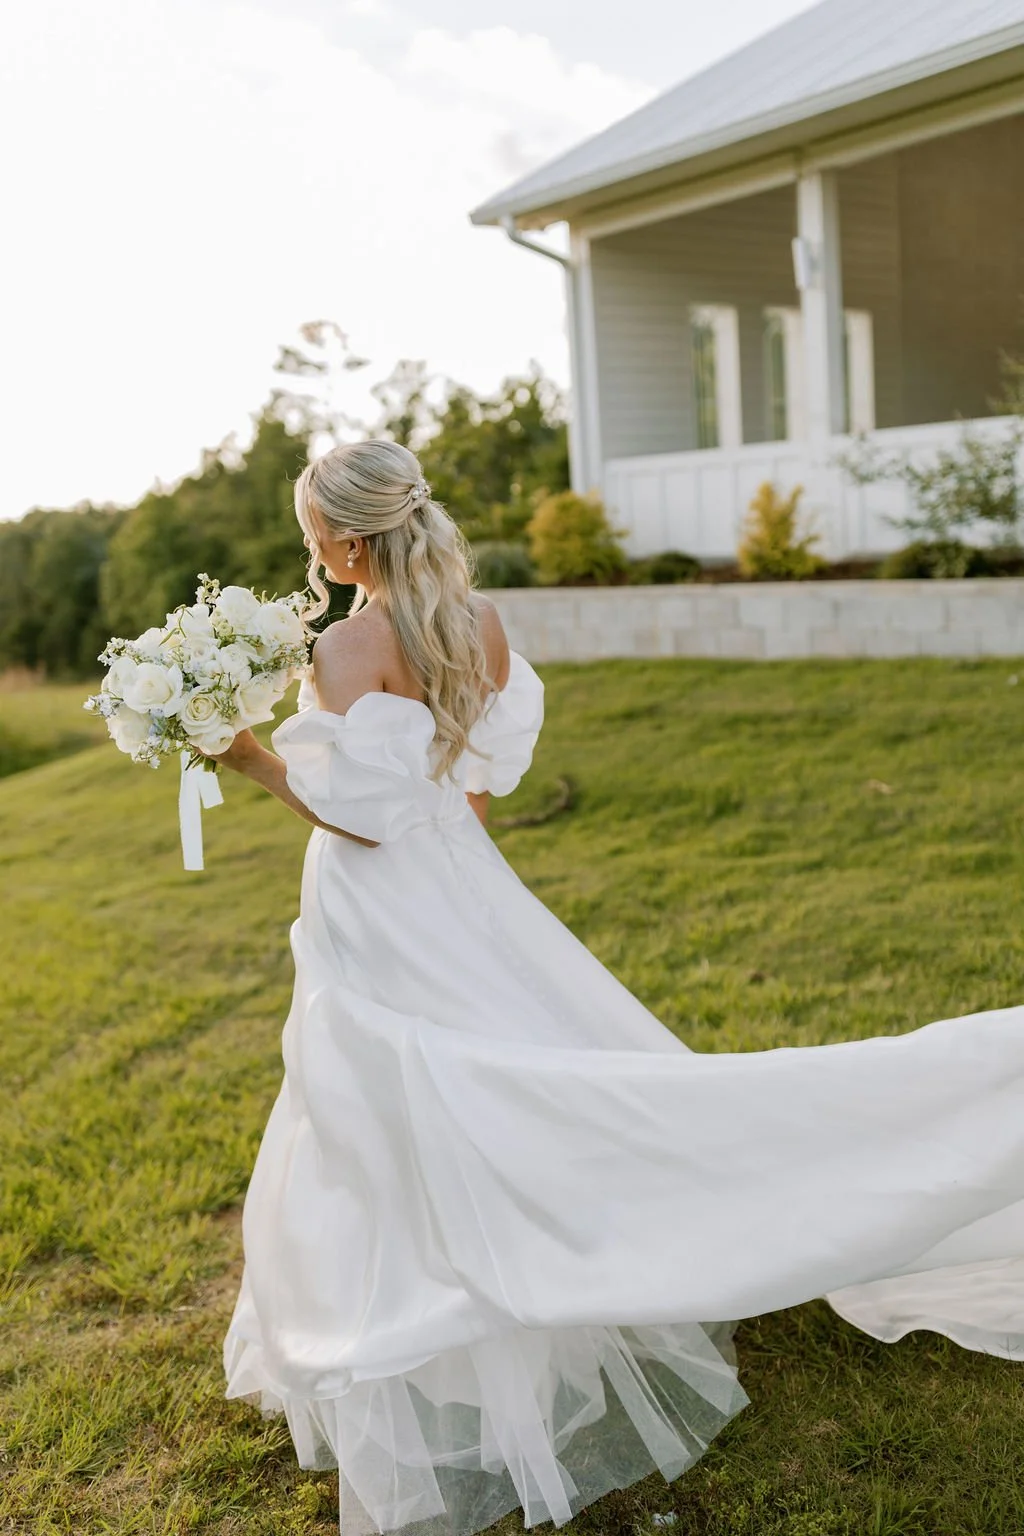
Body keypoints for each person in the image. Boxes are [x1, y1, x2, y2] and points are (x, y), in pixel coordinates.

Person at [212, 439, 1024, 1536]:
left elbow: (358, 814)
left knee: (393, 1100)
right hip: (460, 881)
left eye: (313, 532)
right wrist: (474, 892)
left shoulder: (349, 650)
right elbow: (473, 785)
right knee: (489, 1079)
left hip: (383, 902)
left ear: (349, 540)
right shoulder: (478, 623)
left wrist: (247, 756)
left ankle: (436, 1312)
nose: (310, 549)